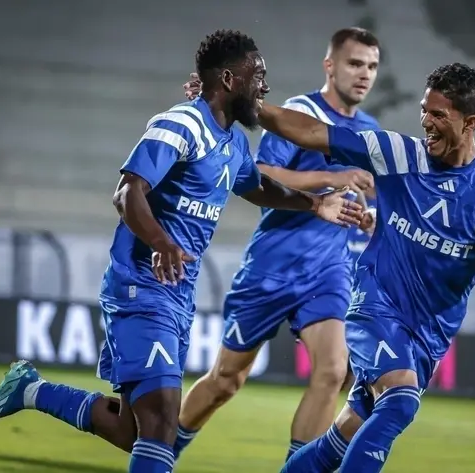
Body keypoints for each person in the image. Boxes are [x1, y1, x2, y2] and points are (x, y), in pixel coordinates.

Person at [0, 29, 363, 473]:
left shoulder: (233, 142)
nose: (265, 87)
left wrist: (315, 204)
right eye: (258, 76)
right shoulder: (181, 124)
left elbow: (257, 187)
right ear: (230, 79)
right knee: (160, 423)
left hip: (177, 294)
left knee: (135, 431)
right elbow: (127, 192)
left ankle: (30, 390)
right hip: (141, 286)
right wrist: (160, 242)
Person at [253, 62, 475, 472]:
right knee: (400, 401)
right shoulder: (396, 154)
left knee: (344, 435)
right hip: (377, 304)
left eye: (438, 114)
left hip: (430, 332)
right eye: (424, 110)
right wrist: (248, 104)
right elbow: (312, 132)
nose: (426, 122)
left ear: (470, 123)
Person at [173, 26, 382, 463]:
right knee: (226, 380)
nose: (364, 74)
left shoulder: (369, 131)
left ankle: (297, 469)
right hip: (272, 267)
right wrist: (330, 178)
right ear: (330, 66)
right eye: (355, 63)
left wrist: (368, 217)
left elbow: (365, 195)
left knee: (333, 371)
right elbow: (260, 175)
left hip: (328, 271)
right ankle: (163, 448)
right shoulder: (301, 112)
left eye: (372, 66)